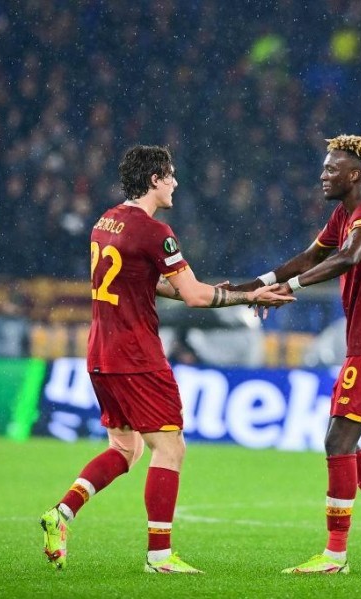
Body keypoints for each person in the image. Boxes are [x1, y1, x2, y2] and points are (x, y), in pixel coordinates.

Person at [38, 145, 294, 574]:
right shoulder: (156, 231)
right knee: (170, 447)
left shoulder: (105, 221)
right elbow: (193, 296)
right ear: (155, 179)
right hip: (137, 355)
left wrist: (212, 288)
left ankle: (60, 515)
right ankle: (159, 556)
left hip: (101, 350)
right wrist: (248, 296)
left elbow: (149, 282)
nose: (175, 182)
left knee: (125, 447)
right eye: (170, 175)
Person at [227, 135, 361, 574]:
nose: (323, 176)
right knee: (345, 443)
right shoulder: (344, 213)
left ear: (354, 175)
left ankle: (335, 555)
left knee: (338, 441)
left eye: (331, 170)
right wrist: (254, 285)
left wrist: (290, 289)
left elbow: (349, 258)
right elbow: (310, 256)